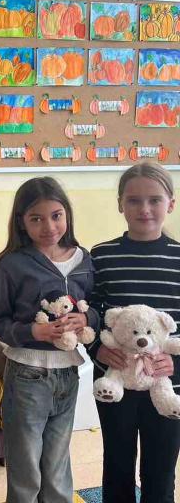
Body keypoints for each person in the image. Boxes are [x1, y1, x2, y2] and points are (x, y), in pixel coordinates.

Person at [0, 176, 98, 503]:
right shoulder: (11, 264)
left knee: (57, 463)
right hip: (27, 375)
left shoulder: (84, 259)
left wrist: (87, 320)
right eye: (36, 218)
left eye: (56, 216)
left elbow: (97, 308)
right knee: (26, 468)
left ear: (67, 215)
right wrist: (32, 332)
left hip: (68, 373)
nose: (49, 226)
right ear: (21, 222)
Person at [89, 162, 180, 503]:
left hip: (168, 384)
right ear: (120, 204)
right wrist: (97, 348)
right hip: (116, 381)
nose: (144, 209)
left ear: (170, 204)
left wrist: (175, 364)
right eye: (134, 200)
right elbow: (92, 314)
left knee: (160, 472)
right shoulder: (102, 256)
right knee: (117, 465)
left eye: (155, 200)